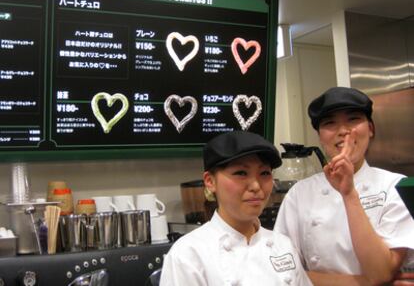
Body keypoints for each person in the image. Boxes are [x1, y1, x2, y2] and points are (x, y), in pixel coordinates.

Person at [274, 86, 414, 285]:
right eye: (330, 123)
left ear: (371, 129)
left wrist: (349, 194)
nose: (343, 131)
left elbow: (381, 272)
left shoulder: (395, 186)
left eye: (354, 119)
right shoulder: (299, 194)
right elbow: (286, 272)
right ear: (320, 137)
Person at [160, 130, 313, 286]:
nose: (255, 186)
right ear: (210, 181)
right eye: (241, 173)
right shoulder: (189, 254)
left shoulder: (282, 245)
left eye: (265, 173)